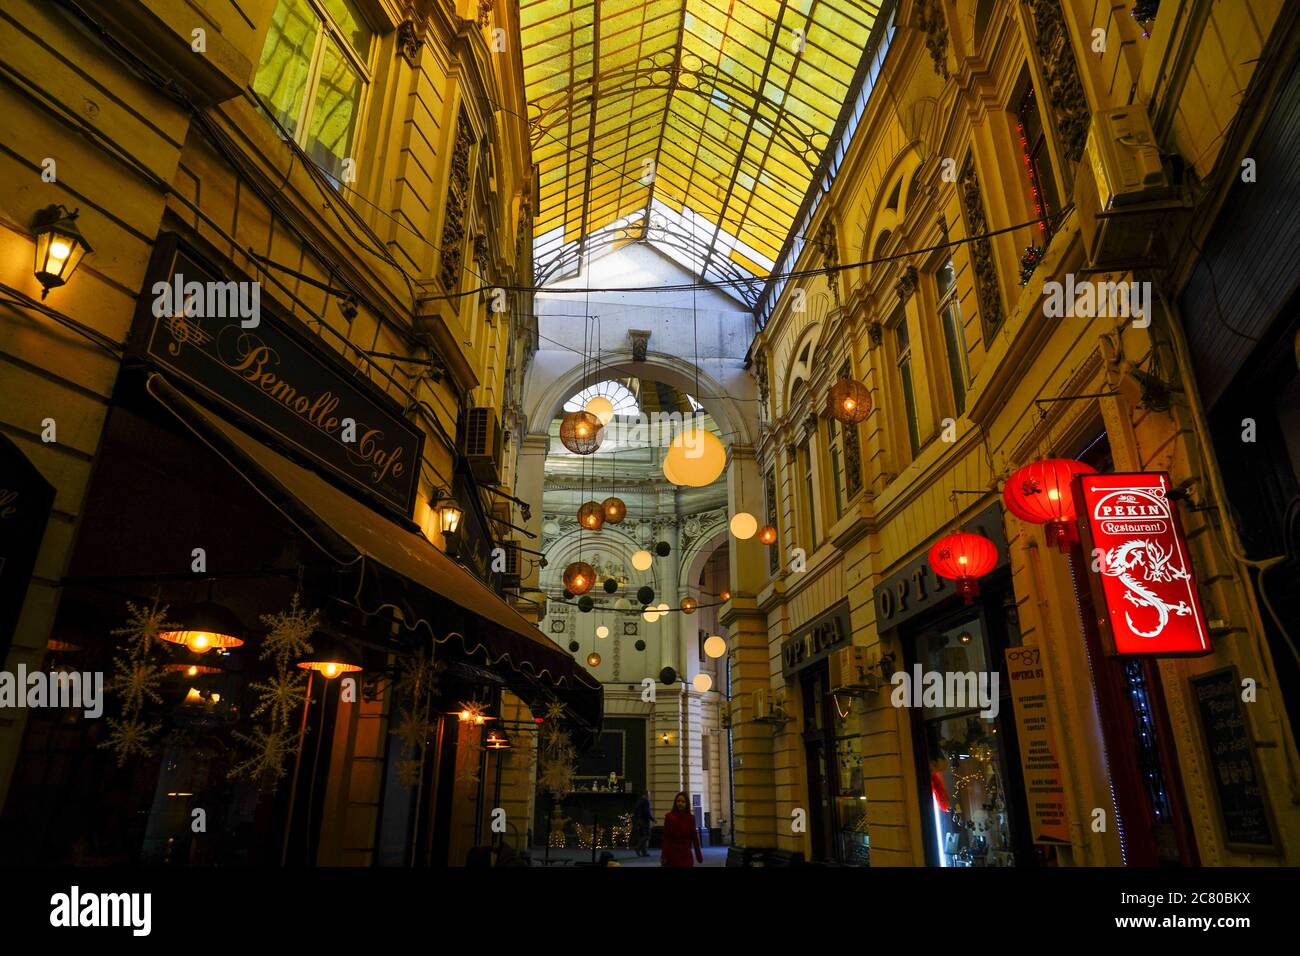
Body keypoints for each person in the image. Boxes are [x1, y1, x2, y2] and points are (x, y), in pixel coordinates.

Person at [660, 791, 703, 867]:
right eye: (678, 801)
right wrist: (664, 856)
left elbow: (694, 838)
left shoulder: (691, 818)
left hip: (685, 854)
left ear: (687, 804)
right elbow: (666, 838)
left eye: (683, 801)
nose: (680, 803)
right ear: (675, 803)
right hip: (672, 854)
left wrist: (698, 855)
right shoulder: (669, 817)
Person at [632, 790, 653, 857]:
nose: (650, 796)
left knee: (642, 836)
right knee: (647, 835)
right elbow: (647, 812)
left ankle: (644, 852)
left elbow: (635, 811)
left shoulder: (639, 801)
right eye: (649, 795)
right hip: (644, 821)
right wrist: (653, 819)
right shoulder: (646, 801)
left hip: (638, 821)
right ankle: (637, 847)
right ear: (646, 794)